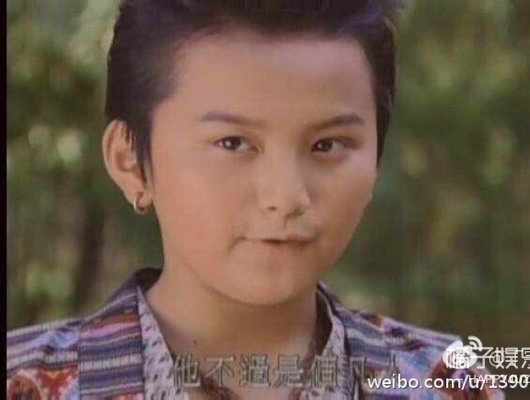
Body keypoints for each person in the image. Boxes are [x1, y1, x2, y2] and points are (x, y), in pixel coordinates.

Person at [7, 0, 503, 398]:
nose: (286, 197)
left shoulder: (446, 382)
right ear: (130, 160)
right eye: (233, 143)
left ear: (375, 157)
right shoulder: (25, 385)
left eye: (327, 145)